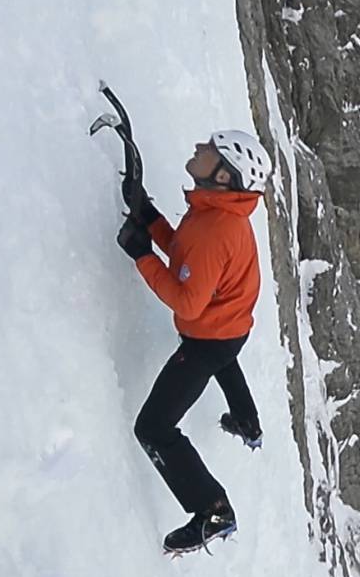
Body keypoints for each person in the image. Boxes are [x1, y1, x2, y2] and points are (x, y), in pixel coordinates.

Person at [115, 130, 272, 554]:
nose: (198, 150)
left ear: (223, 175)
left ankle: (213, 511)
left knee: (153, 427)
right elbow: (188, 256)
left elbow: (187, 301)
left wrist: (142, 256)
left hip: (209, 336)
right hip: (228, 327)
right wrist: (148, 215)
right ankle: (247, 420)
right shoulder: (216, 214)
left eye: (210, 150)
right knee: (225, 357)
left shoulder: (215, 228)